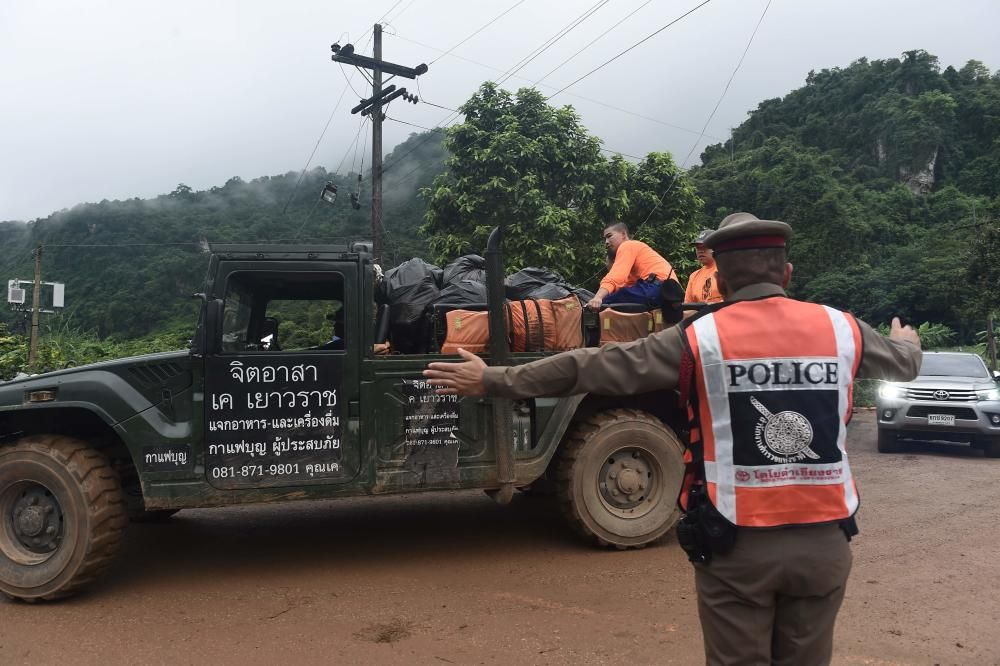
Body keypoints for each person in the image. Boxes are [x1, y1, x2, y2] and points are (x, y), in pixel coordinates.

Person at [424, 212, 922, 665]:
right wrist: (906, 339)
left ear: (718, 281)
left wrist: (494, 380)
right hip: (825, 545)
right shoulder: (843, 330)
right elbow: (905, 362)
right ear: (787, 275)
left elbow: (588, 367)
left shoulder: (698, 338)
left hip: (736, 547)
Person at [586, 222, 679, 310]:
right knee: (616, 296)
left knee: (603, 303)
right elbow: (627, 285)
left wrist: (598, 298)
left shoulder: (627, 245)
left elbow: (616, 276)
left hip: (658, 287)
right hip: (671, 294)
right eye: (605, 239)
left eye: (609, 236)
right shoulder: (637, 253)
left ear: (623, 234)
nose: (606, 242)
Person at [684, 228, 723, 305]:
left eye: (705, 246)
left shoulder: (727, 270)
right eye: (698, 248)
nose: (700, 251)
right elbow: (687, 307)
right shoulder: (694, 276)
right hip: (700, 316)